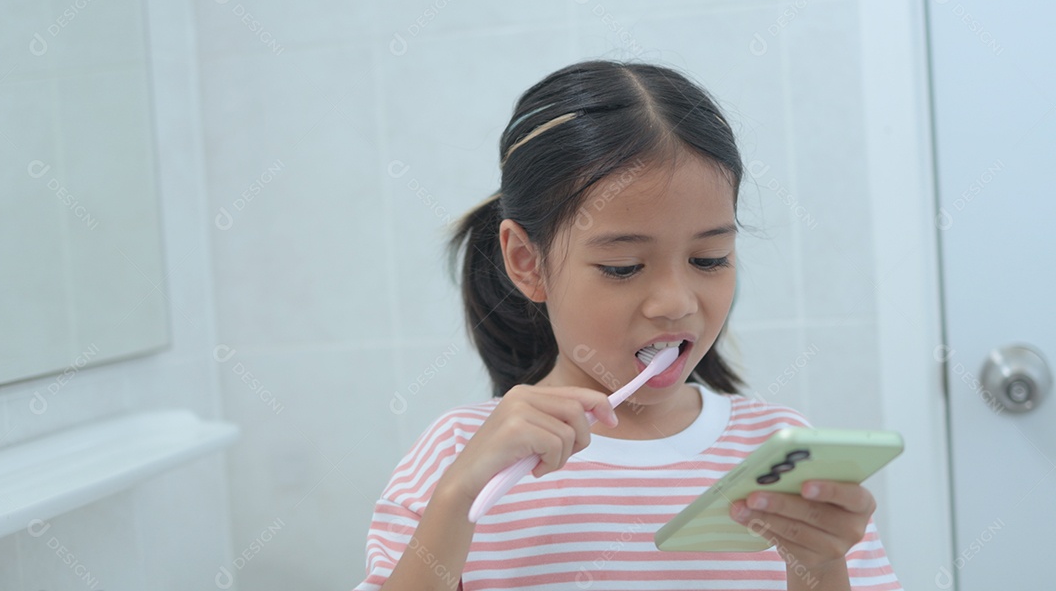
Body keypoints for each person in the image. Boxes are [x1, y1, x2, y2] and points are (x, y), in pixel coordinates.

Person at [354, 60, 902, 591]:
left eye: (709, 259)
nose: (675, 302)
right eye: (623, 267)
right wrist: (454, 503)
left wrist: (819, 568)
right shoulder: (458, 455)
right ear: (526, 262)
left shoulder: (782, 455)